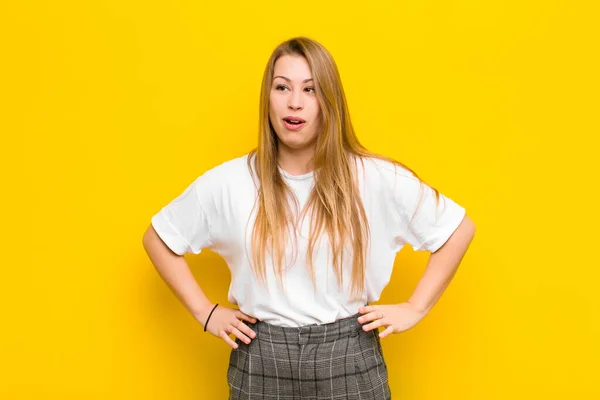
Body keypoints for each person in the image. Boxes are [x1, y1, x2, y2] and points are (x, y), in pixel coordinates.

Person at [142, 36, 476, 400]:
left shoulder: (373, 178)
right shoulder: (229, 182)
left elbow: (457, 228)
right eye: (282, 87)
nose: (294, 102)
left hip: (349, 356)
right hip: (260, 357)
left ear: (329, 101)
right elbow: (158, 237)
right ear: (267, 98)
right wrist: (205, 312)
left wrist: (416, 307)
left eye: (310, 89)